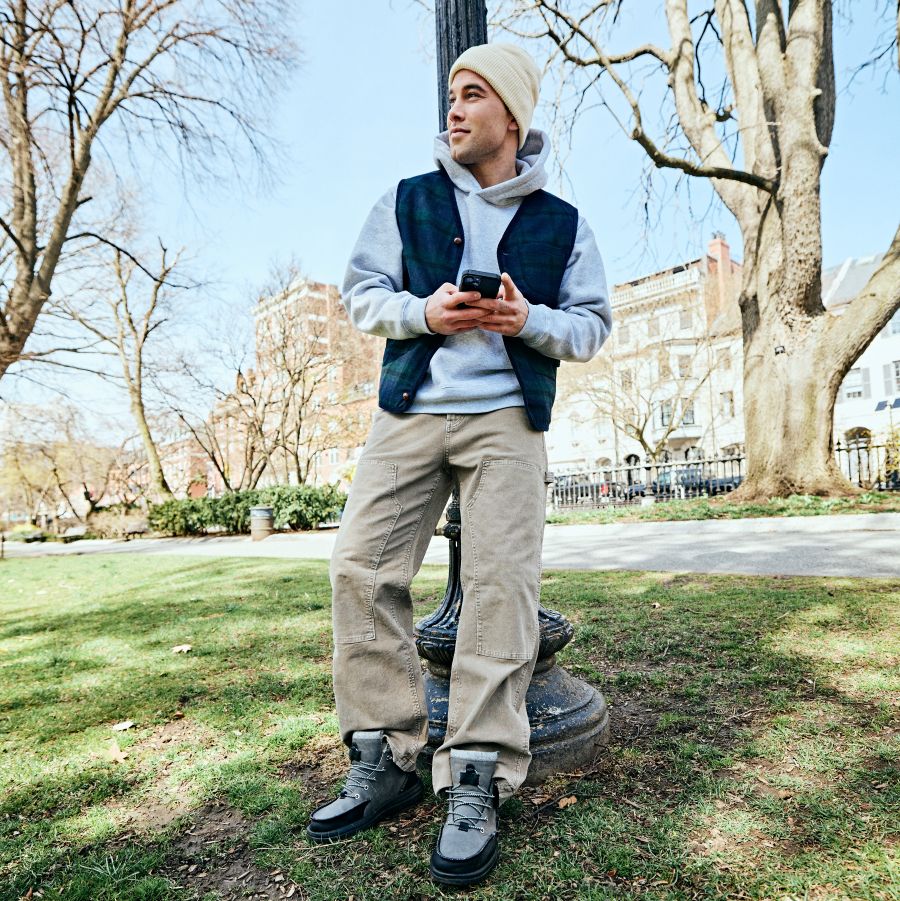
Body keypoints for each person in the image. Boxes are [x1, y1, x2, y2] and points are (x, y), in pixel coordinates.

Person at [306, 42, 612, 886]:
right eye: (452, 92)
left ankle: (476, 774)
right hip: (409, 412)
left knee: (501, 587)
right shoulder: (405, 199)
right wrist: (425, 311)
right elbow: (363, 294)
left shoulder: (564, 221)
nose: (455, 108)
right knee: (360, 567)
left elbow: (590, 325)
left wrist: (528, 320)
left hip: (507, 419)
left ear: (511, 116)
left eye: (474, 94)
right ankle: (385, 756)